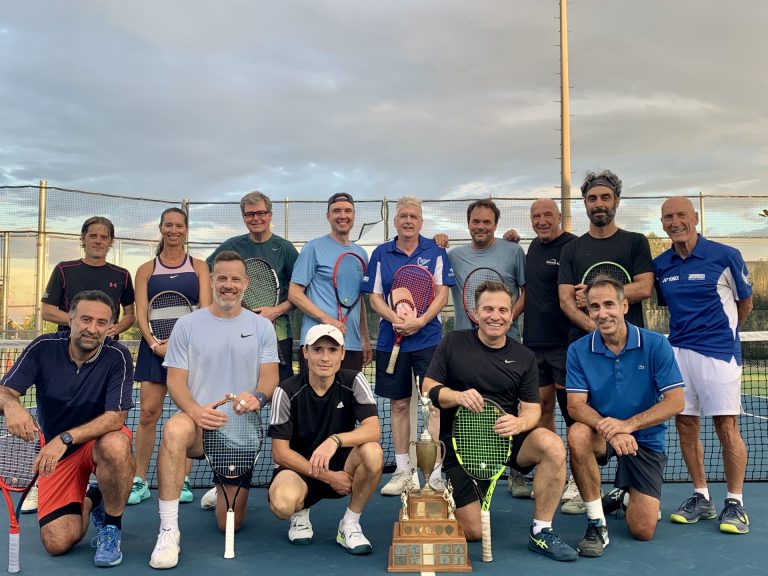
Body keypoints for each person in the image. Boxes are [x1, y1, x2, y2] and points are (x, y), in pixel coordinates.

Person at [422, 281, 578, 563]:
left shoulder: (524, 356)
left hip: (507, 437)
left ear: (512, 314)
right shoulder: (452, 342)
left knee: (552, 445)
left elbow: (533, 410)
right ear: (475, 312)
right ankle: (450, 494)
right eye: (489, 309)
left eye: (503, 309)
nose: (496, 315)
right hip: (461, 445)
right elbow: (428, 387)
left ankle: (541, 531)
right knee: (472, 531)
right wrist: (457, 396)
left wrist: (519, 424)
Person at [148, 251, 280, 569]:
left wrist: (258, 399)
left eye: (235, 279)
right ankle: (168, 530)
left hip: (241, 433)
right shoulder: (187, 325)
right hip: (199, 424)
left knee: (228, 525)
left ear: (245, 284)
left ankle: (221, 486)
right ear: (211, 281)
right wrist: (195, 412)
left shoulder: (262, 327)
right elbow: (176, 381)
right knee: (173, 430)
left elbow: (270, 377)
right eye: (222, 278)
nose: (228, 285)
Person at [0, 290, 135, 567]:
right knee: (57, 542)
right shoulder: (42, 347)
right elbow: (4, 391)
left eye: (101, 322)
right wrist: (12, 406)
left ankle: (111, 527)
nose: (92, 328)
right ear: (70, 319)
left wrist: (65, 438)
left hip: (95, 442)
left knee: (116, 444)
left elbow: (115, 418)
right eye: (85, 319)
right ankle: (91, 499)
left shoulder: (118, 356)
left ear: (110, 326)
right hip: (58, 454)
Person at [653, 196, 753, 534]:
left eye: (681, 214)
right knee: (685, 425)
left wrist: (722, 335)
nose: (675, 221)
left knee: (726, 427)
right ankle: (701, 496)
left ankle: (735, 502)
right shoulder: (661, 264)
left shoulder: (726, 256)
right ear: (663, 223)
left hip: (719, 354)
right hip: (678, 354)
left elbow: (745, 304)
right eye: (668, 217)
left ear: (695, 218)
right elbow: (671, 308)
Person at [566, 276, 684, 557]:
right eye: (594, 307)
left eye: (609, 304)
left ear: (625, 305)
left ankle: (624, 492)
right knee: (577, 433)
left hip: (644, 439)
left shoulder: (656, 344)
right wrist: (614, 430)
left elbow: (676, 402)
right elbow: (575, 407)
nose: (602, 313)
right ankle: (597, 522)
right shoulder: (578, 350)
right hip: (603, 435)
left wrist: (628, 426)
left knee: (643, 531)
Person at [434, 198, 529, 496]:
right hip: (465, 349)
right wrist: (435, 243)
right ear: (468, 224)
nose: (481, 226)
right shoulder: (453, 255)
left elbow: (524, 291)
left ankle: (516, 473)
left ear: (496, 225)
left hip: (507, 345)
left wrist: (505, 317)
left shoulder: (514, 251)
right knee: (461, 409)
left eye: (487, 222)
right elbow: (427, 261)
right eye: (476, 221)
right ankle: (456, 472)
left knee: (510, 409)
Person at [361, 197, 453, 496]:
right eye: (403, 216)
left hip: (428, 341)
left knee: (433, 405)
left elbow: (441, 294)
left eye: (413, 216)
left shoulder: (436, 251)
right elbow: (375, 297)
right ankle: (403, 470)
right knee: (399, 405)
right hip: (392, 340)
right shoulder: (380, 254)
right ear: (396, 221)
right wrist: (396, 319)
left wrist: (421, 321)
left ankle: (435, 473)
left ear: (421, 221)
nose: (408, 220)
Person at [268, 324, 382, 555]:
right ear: (305, 352)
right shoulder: (286, 390)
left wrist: (335, 440)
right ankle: (301, 511)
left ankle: (350, 523)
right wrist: (329, 477)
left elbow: (373, 431)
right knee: (282, 504)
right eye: (318, 349)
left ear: (342, 354)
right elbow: (280, 453)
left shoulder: (354, 381)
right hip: (298, 468)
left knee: (373, 452)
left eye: (332, 350)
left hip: (343, 466)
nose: (325, 357)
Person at [128, 207, 212, 507]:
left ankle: (183, 479)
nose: (173, 230)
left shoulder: (200, 267)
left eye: (179, 226)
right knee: (148, 414)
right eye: (168, 225)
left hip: (189, 352)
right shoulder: (145, 270)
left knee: (189, 415)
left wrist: (182, 346)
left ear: (186, 230)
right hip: (155, 351)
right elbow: (140, 313)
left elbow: (204, 310)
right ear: (161, 228)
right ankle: (139, 479)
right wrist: (153, 344)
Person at [523, 199, 582, 510]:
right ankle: (550, 472)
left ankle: (577, 478)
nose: (542, 220)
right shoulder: (532, 247)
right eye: (536, 216)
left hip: (566, 346)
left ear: (559, 217)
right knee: (542, 408)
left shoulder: (573, 246)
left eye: (548, 214)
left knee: (573, 413)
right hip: (533, 344)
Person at [206, 190, 299, 383]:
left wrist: (274, 312)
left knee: (279, 394)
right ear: (244, 217)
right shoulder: (231, 246)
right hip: (237, 332)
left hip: (278, 334)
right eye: (250, 214)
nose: (256, 218)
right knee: (238, 390)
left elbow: (299, 294)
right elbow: (204, 273)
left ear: (270, 215)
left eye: (261, 213)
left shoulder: (285, 249)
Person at [558, 170, 654, 343]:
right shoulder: (570, 249)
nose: (598, 204)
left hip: (630, 344)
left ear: (616, 201)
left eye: (605, 197)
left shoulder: (636, 242)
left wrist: (591, 293)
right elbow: (566, 301)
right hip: (585, 344)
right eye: (592, 198)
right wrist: (596, 328)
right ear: (585, 203)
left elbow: (644, 287)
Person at [288, 192, 372, 371]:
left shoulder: (362, 254)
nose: (343, 216)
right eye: (337, 211)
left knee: (349, 399)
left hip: (350, 346)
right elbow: (294, 294)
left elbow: (359, 300)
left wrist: (364, 337)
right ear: (328, 216)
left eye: (348, 211)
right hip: (318, 345)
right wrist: (327, 320)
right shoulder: (313, 249)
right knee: (314, 399)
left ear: (354, 216)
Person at [42, 216, 136, 338]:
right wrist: (79, 323)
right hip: (68, 344)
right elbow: (47, 311)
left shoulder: (122, 275)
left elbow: (130, 315)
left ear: (111, 242)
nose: (98, 241)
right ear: (83, 239)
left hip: (106, 347)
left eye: (104, 237)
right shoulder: (64, 269)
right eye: (93, 236)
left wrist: (117, 328)